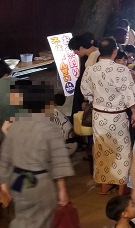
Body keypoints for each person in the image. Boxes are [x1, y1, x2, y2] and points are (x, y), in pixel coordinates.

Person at [0, 82, 74, 228]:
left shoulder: (15, 126)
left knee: (22, 217)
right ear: (46, 104)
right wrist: (62, 190)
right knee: (44, 219)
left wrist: (4, 186)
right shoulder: (49, 127)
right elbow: (59, 163)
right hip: (39, 181)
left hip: (18, 182)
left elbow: (5, 159)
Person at [81, 37, 135, 196]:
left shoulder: (90, 70)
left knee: (102, 149)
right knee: (122, 150)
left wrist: (95, 99)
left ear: (100, 51)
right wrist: (134, 112)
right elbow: (129, 94)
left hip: (99, 116)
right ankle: (121, 187)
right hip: (118, 116)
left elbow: (85, 90)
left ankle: (104, 186)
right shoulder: (122, 70)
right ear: (115, 52)